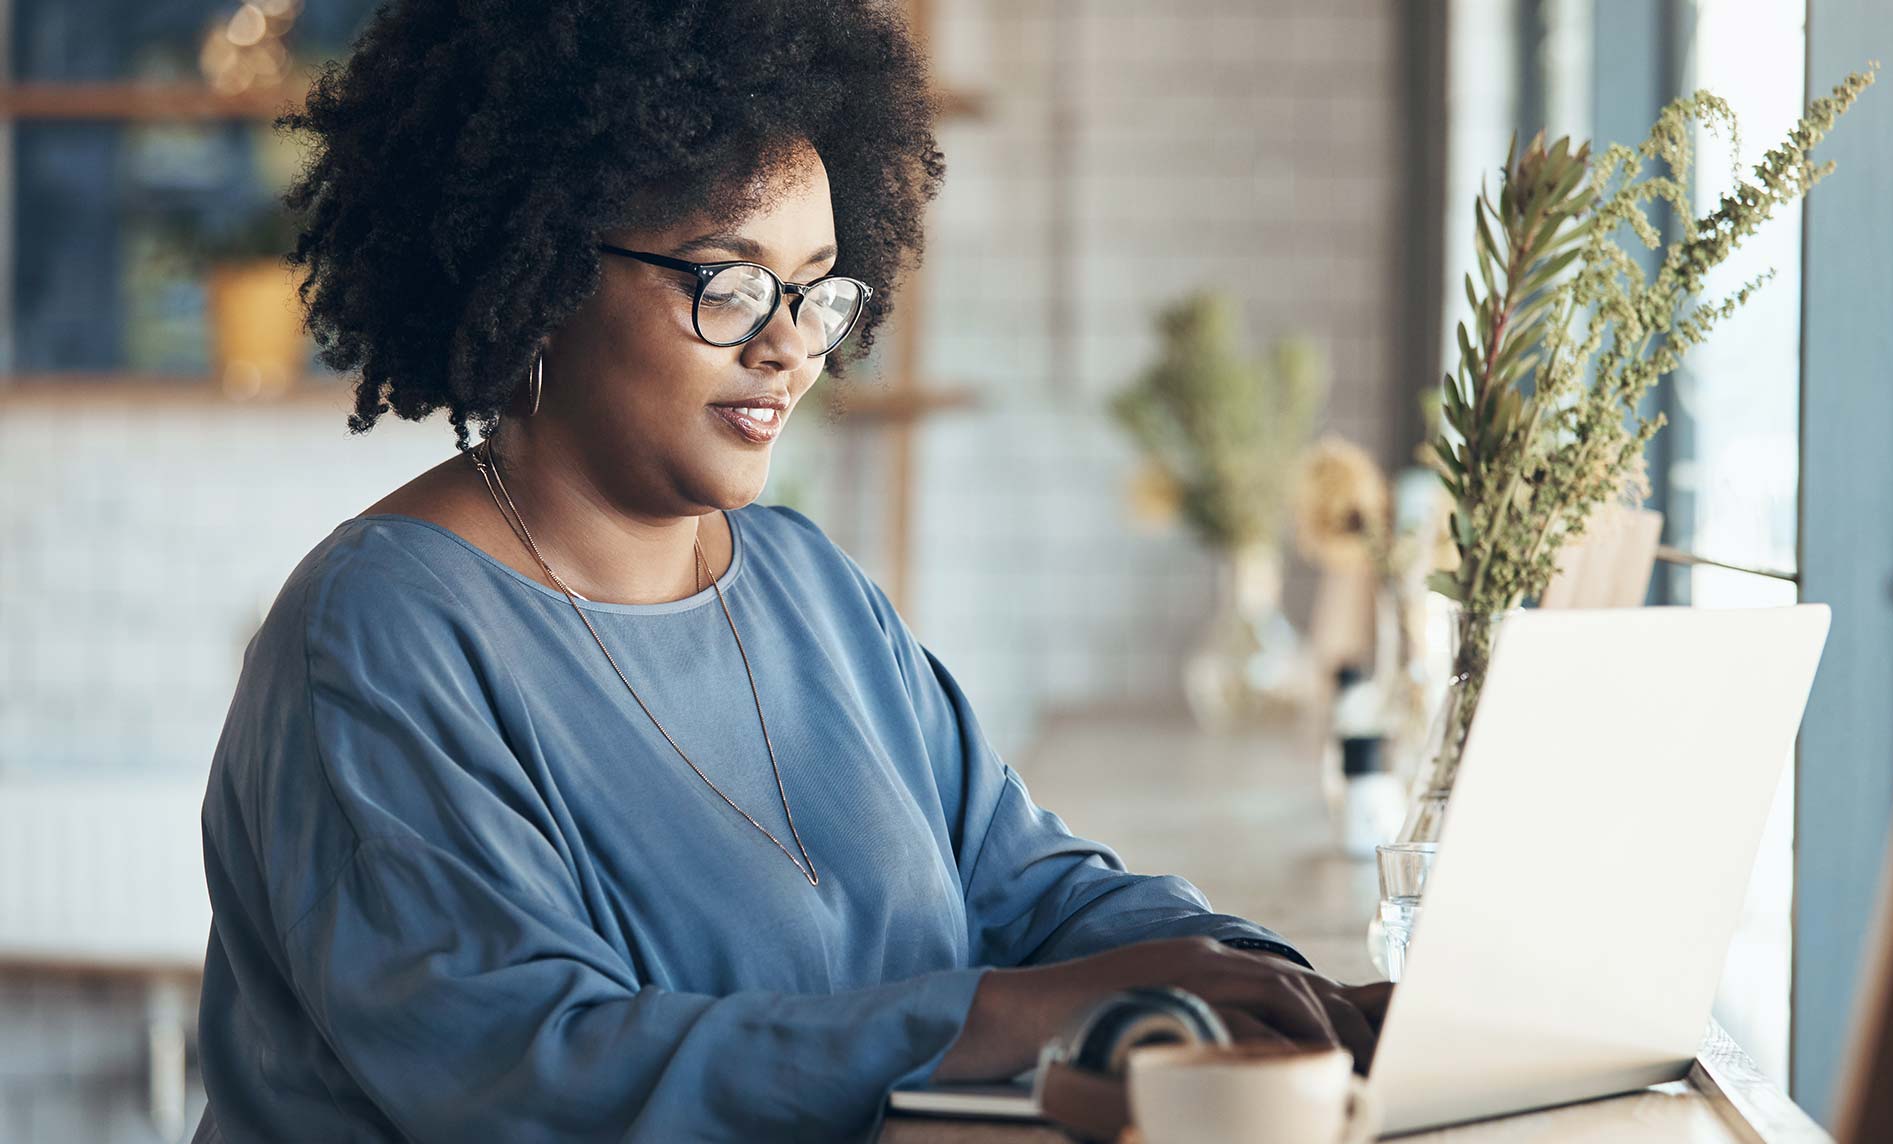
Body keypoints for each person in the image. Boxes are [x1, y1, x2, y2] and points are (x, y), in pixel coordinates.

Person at [192, 1, 1388, 1140]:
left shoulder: (805, 586)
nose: (787, 345)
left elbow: (1028, 888)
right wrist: (1004, 1016)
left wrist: (1270, 983)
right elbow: (535, 1079)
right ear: (540, 273)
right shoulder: (378, 635)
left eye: (818, 289)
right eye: (729, 279)